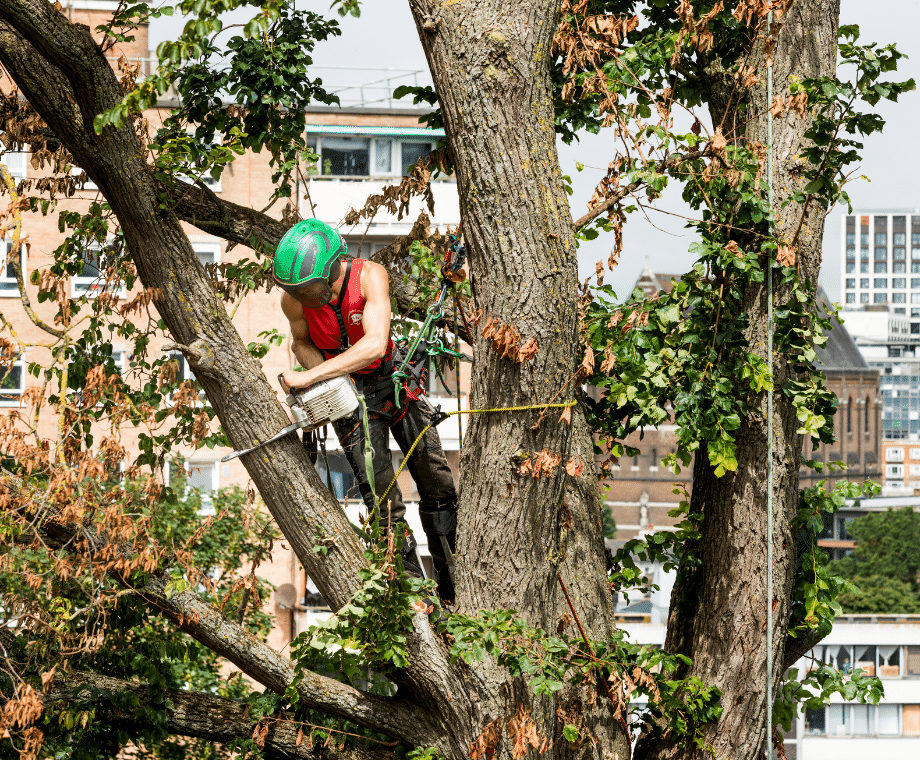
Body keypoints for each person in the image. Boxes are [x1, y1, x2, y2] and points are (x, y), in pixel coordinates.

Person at [274, 218, 458, 601]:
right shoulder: (294, 299)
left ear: (332, 267)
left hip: (392, 382)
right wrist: (328, 379)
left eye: (310, 288)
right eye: (298, 291)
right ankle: (415, 595)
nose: (305, 298)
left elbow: (375, 344)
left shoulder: (370, 277)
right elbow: (301, 344)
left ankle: (453, 582)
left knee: (436, 482)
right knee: (382, 500)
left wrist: (311, 378)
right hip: (350, 397)